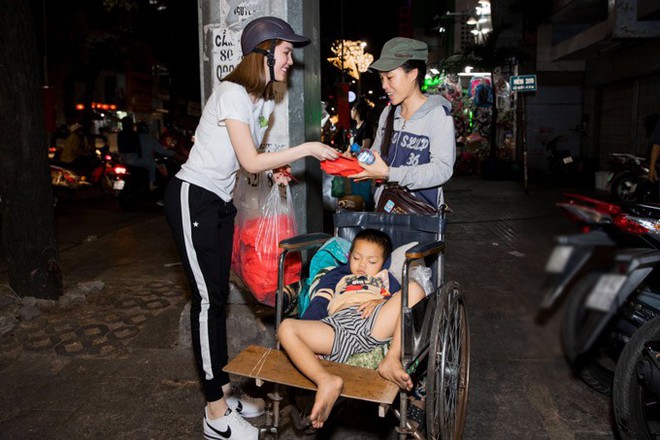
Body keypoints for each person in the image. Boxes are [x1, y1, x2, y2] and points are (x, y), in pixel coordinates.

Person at [163, 16, 338, 440]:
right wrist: (307, 148)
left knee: (218, 298)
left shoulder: (260, 102)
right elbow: (249, 160)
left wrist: (274, 170)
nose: (289, 61)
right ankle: (215, 414)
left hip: (221, 202)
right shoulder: (231, 93)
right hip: (193, 197)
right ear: (262, 53)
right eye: (284, 52)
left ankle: (222, 388)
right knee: (207, 302)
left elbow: (248, 162)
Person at [277, 229, 425, 429]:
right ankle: (326, 381)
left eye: (372, 262)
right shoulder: (337, 277)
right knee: (286, 327)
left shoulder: (385, 278)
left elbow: (402, 304)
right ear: (349, 258)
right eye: (356, 258)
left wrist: (381, 299)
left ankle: (391, 360)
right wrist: (311, 338)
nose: (363, 265)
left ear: (383, 263)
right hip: (337, 326)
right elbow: (319, 304)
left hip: (374, 321)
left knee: (414, 290)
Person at [349, 37, 456, 210]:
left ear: (412, 74)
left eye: (390, 77)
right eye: (381, 78)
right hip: (385, 210)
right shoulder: (388, 113)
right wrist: (356, 159)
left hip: (419, 217)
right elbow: (376, 156)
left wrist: (390, 174)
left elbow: (442, 170)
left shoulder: (437, 115)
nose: (384, 85)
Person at [346, 100, 375, 209]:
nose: (351, 111)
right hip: (353, 165)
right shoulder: (354, 127)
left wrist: (354, 151)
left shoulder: (366, 127)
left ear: (357, 111)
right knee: (356, 192)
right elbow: (350, 145)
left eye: (352, 109)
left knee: (364, 192)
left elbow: (365, 147)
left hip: (363, 165)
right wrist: (346, 153)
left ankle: (369, 216)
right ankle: (358, 216)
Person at [136, 121, 175, 190]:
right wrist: (174, 153)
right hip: (146, 161)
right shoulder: (149, 139)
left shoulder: (135, 138)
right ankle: (153, 185)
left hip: (134, 161)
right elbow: (161, 151)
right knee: (159, 167)